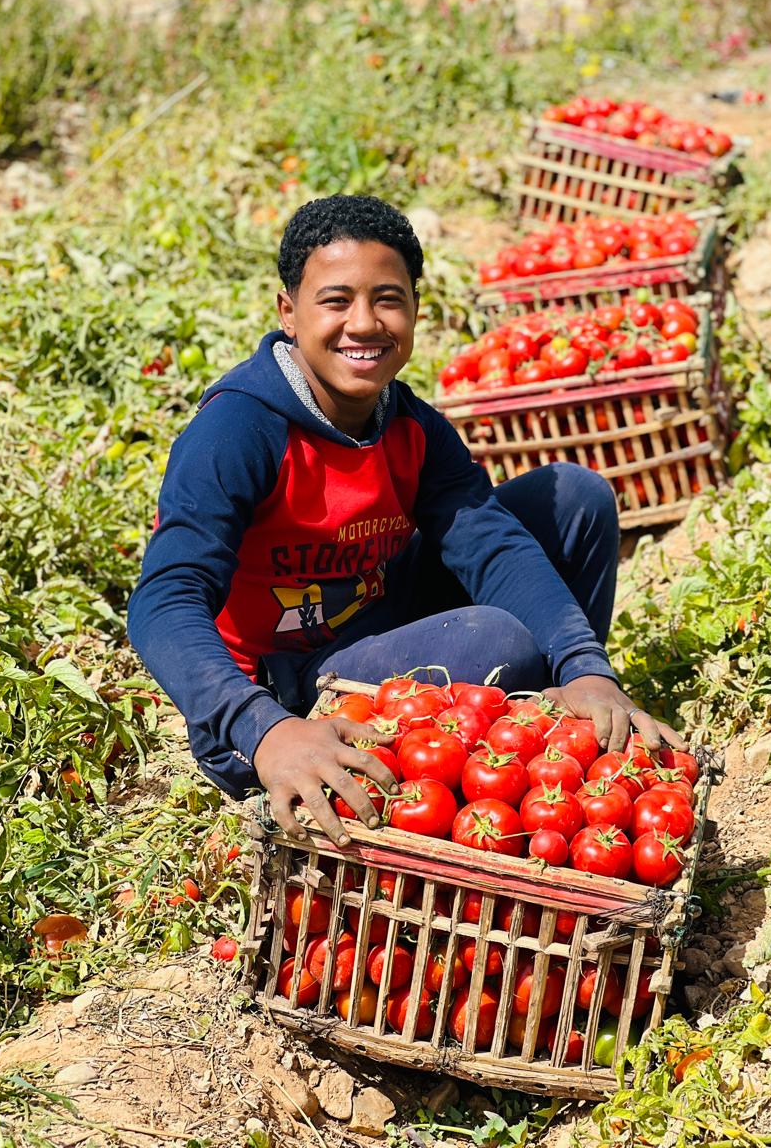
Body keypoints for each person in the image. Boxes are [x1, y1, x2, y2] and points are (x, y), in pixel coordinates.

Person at [127, 194, 686, 846]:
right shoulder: (240, 429)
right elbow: (163, 602)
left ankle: (548, 753)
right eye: (335, 301)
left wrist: (585, 665)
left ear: (416, 309)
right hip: (281, 700)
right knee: (499, 642)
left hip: (369, 630)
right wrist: (262, 728)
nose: (363, 323)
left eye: (387, 299)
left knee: (573, 501)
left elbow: (494, 545)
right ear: (289, 311)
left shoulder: (411, 425)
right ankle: (443, 780)